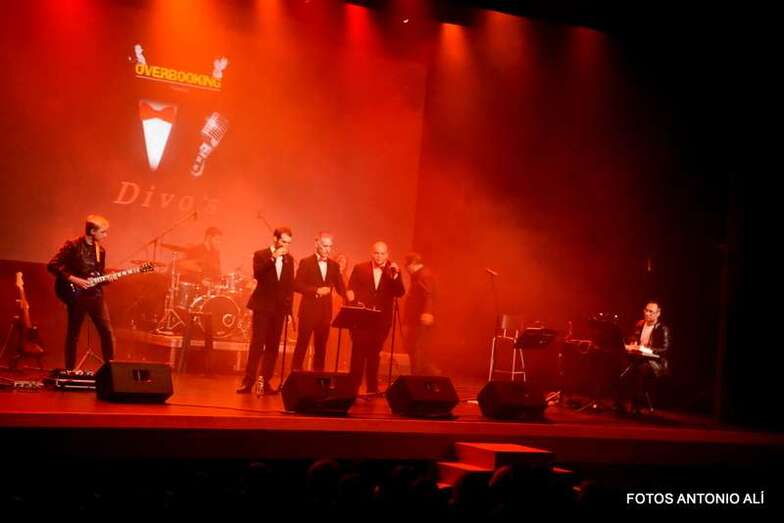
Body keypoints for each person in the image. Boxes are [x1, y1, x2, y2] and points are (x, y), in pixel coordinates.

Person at [47, 214, 116, 369]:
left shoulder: (101, 250)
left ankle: (112, 371)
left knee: (107, 331)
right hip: (76, 295)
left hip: (95, 295)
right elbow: (52, 265)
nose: (106, 235)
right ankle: (70, 370)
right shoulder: (72, 245)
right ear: (92, 231)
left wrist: (108, 279)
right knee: (74, 334)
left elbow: (99, 274)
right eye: (103, 232)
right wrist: (73, 279)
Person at [237, 227, 295, 395]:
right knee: (257, 344)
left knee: (273, 346)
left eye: (289, 243)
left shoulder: (289, 260)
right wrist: (273, 258)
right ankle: (248, 382)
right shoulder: (261, 255)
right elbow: (258, 274)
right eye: (283, 241)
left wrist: (289, 311)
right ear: (275, 239)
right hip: (262, 306)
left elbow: (289, 286)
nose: (286, 245)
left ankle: (265, 381)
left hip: (278, 309)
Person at [347, 241, 405, 394]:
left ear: (388, 254)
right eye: (376, 253)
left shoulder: (392, 270)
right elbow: (351, 288)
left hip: (381, 320)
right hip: (362, 317)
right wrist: (353, 299)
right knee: (358, 352)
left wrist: (396, 275)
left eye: (382, 253)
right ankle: (353, 386)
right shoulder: (360, 268)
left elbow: (400, 292)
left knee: (374, 353)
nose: (379, 256)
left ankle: (372, 387)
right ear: (371, 253)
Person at [291, 232, 348, 372]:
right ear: (316, 244)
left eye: (330, 246)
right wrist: (316, 290)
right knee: (302, 344)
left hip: (325, 313)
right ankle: (295, 375)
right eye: (324, 246)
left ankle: (318, 380)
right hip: (308, 311)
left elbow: (341, 288)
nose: (328, 249)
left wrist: (349, 293)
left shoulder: (334, 266)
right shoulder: (306, 262)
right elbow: (296, 285)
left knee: (321, 347)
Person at [618, 301, 671, 414]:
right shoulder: (639, 324)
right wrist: (631, 344)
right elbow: (633, 338)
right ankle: (620, 405)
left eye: (651, 311)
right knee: (622, 371)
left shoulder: (662, 329)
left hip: (655, 363)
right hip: (638, 359)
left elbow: (665, 349)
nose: (647, 313)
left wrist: (649, 349)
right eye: (646, 310)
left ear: (658, 313)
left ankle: (636, 407)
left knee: (640, 372)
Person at [403, 253, 436, 375]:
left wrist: (427, 312)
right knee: (414, 346)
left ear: (412, 264)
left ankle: (417, 375)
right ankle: (419, 373)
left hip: (420, 318)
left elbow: (429, 294)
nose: (406, 270)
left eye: (407, 266)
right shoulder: (419, 275)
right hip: (416, 318)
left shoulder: (423, 275)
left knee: (416, 347)